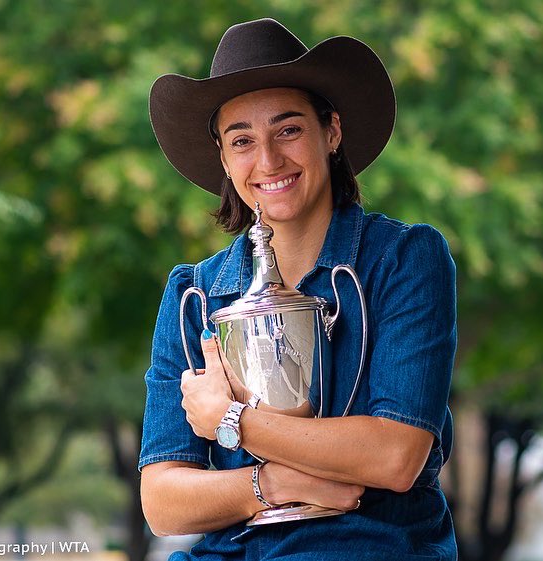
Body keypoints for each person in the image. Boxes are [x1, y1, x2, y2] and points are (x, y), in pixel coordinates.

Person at [139, 18, 457, 560]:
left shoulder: (405, 261)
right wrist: (273, 487)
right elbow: (164, 501)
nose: (268, 161)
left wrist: (230, 421)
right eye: (242, 141)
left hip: (369, 547)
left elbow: (395, 457)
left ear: (330, 132)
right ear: (223, 157)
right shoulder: (194, 294)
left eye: (288, 130)